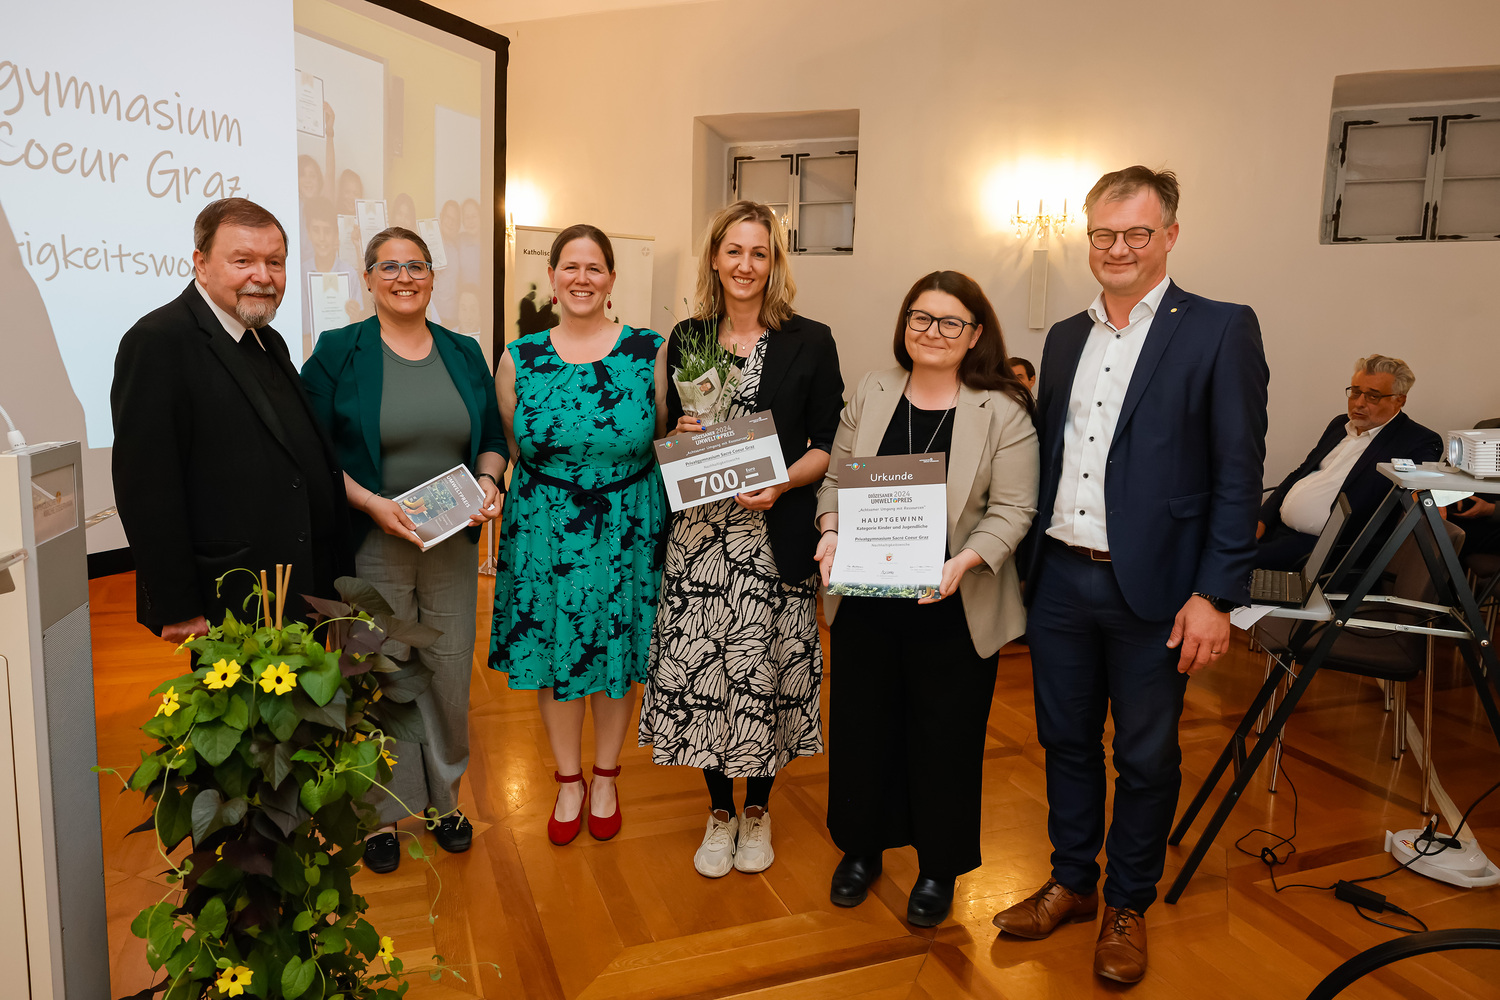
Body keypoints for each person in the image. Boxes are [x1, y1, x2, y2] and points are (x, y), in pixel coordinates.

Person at [991, 167, 1268, 984]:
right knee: (1065, 741)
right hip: (1060, 581)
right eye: (1104, 235)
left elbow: (1238, 474)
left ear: (1170, 236)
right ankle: (1073, 881)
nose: (1118, 249)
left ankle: (1127, 904)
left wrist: (1215, 595)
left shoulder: (1219, 328)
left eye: (1137, 233)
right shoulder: (1063, 337)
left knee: (1145, 758)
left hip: (1158, 591)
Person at [812, 270, 1038, 927]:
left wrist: (965, 560)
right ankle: (861, 849)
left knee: (945, 740)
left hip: (954, 604)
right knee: (863, 731)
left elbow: (1014, 508)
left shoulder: (1004, 409)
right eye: (920, 317)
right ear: (904, 324)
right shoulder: (873, 389)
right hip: (867, 600)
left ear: (975, 334)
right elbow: (835, 482)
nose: (932, 332)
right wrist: (830, 531)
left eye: (949, 322)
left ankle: (939, 867)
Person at [640, 200, 844, 878]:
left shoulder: (810, 340)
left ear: (774, 261)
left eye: (759, 252)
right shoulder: (688, 335)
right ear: (715, 258)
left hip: (770, 535)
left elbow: (827, 445)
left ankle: (758, 808)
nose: (746, 265)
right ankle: (718, 810)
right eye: (734, 251)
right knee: (704, 673)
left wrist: (782, 484)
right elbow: (669, 436)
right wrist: (678, 435)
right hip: (699, 539)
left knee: (764, 676)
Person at [301, 226, 506, 874]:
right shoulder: (339, 352)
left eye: (416, 265)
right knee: (380, 673)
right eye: (388, 266)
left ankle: (445, 802)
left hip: (450, 543)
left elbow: (491, 437)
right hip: (374, 539)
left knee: (447, 673)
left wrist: (491, 482)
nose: (404, 277)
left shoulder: (463, 352)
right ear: (367, 278)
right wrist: (370, 503)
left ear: (432, 277)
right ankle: (381, 813)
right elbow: (311, 451)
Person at [489, 224, 668, 846]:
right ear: (552, 277)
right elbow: (513, 444)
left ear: (612, 279)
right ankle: (569, 781)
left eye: (595, 268)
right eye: (570, 266)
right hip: (545, 530)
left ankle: (607, 776)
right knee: (554, 654)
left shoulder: (649, 350)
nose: (582, 278)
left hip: (627, 527)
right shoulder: (519, 357)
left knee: (618, 652)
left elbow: (664, 434)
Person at [111, 198, 351, 641]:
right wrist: (177, 605)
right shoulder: (159, 341)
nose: (263, 275)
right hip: (233, 596)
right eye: (243, 261)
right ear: (201, 264)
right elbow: (146, 488)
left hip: (303, 583)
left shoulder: (266, 338)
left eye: (275, 262)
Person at [1256, 356, 1441, 570]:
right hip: (1277, 530)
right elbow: (1301, 473)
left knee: (1227, 560)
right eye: (1355, 392)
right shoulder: (1340, 424)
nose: (1359, 403)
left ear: (1399, 400)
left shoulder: (1417, 441)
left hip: (1325, 551)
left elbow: (1421, 497)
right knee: (1224, 537)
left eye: (1373, 396)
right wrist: (1262, 519)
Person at [301, 196, 366, 353]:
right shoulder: (302, 273)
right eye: (316, 230)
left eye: (327, 231)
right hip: (310, 353)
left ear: (336, 235)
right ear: (309, 233)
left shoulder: (349, 274)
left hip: (342, 353)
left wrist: (355, 317)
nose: (322, 238)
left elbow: (357, 329)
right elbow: (302, 328)